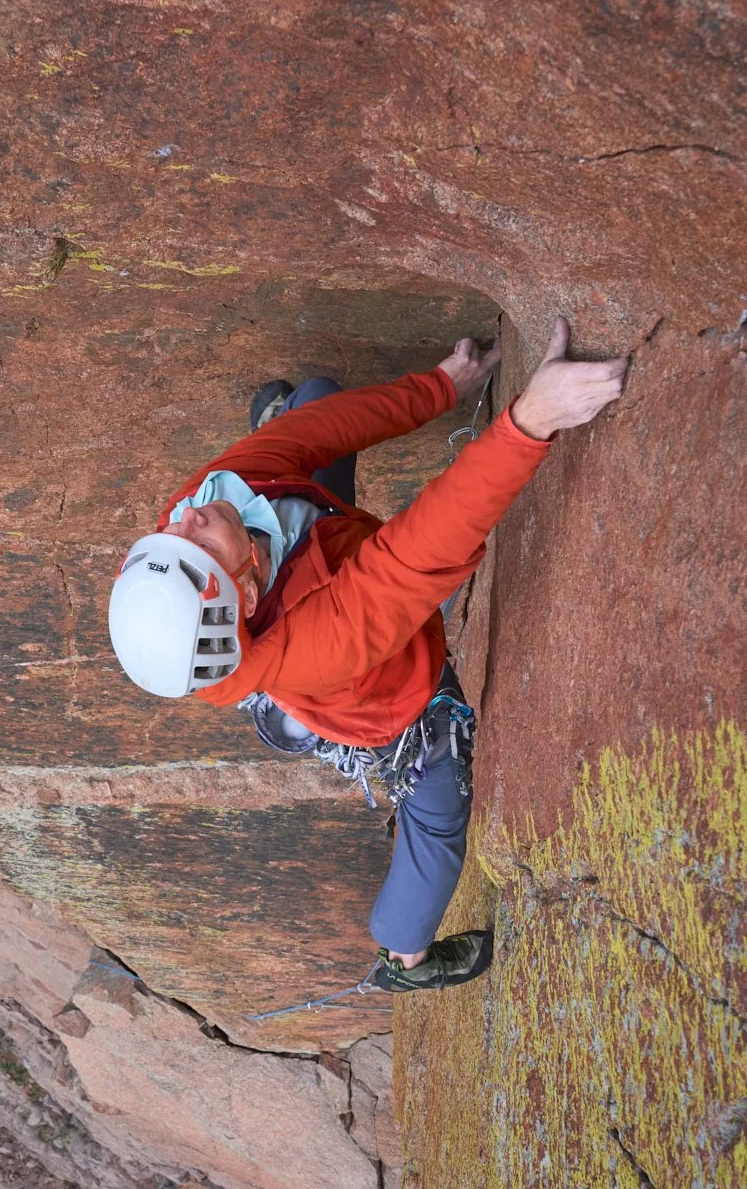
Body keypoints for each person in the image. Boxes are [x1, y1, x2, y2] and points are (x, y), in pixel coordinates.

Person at [104, 319, 628, 992]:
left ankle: (283, 478)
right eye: (198, 541)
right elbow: (419, 552)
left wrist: (441, 386)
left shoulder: (200, 511)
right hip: (385, 693)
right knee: (438, 823)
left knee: (315, 402)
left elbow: (316, 432)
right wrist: (530, 422)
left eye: (174, 531)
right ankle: (404, 956)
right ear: (243, 589)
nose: (188, 515)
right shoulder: (323, 636)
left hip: (310, 549)